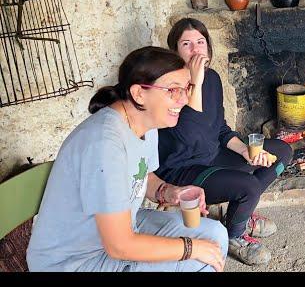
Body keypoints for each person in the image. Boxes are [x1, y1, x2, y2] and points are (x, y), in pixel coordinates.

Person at [27, 46, 228, 271]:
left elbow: (143, 175)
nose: (183, 99)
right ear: (139, 93)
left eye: (186, 88)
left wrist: (168, 191)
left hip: (119, 230)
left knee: (215, 235)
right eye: (172, 90)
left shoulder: (146, 121)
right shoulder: (104, 143)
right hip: (75, 259)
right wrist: (190, 248)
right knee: (198, 259)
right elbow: (119, 246)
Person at [156, 18, 293, 266]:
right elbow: (190, 136)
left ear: (208, 47)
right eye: (186, 44)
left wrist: (244, 151)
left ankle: (239, 215)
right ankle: (234, 236)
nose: (196, 49)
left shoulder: (212, 79)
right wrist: (193, 82)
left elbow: (219, 128)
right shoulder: (170, 86)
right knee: (248, 185)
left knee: (282, 152)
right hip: (183, 168)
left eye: (200, 42)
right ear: (174, 52)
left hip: (212, 155)